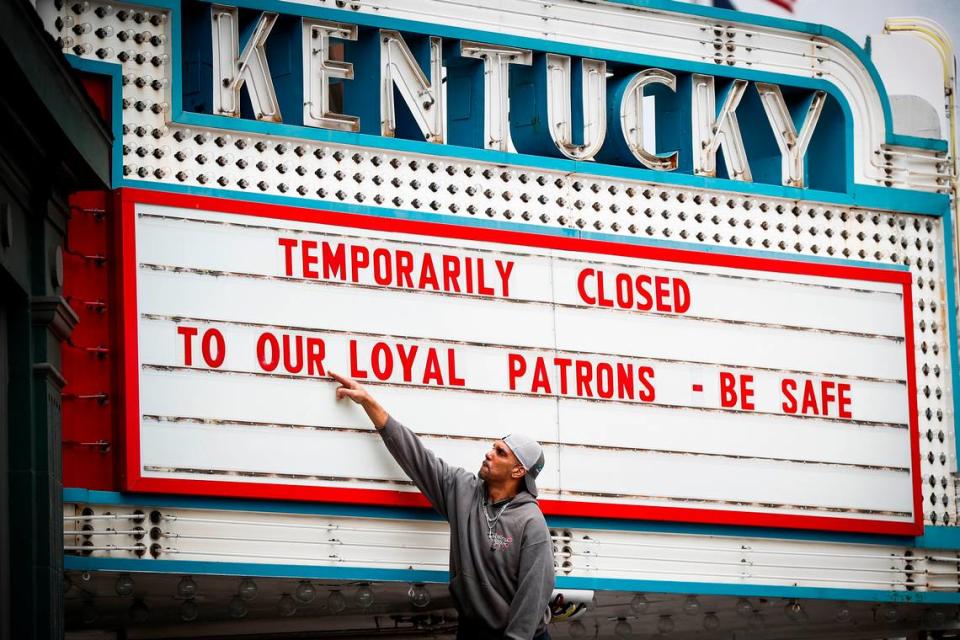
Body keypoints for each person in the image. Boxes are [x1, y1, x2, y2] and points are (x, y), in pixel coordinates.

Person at [330, 371, 556, 640]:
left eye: (500, 453)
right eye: (493, 447)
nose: (489, 453)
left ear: (519, 471)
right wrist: (369, 402)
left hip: (521, 636)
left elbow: (534, 594)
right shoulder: (462, 491)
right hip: (473, 631)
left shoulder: (531, 522)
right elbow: (417, 457)